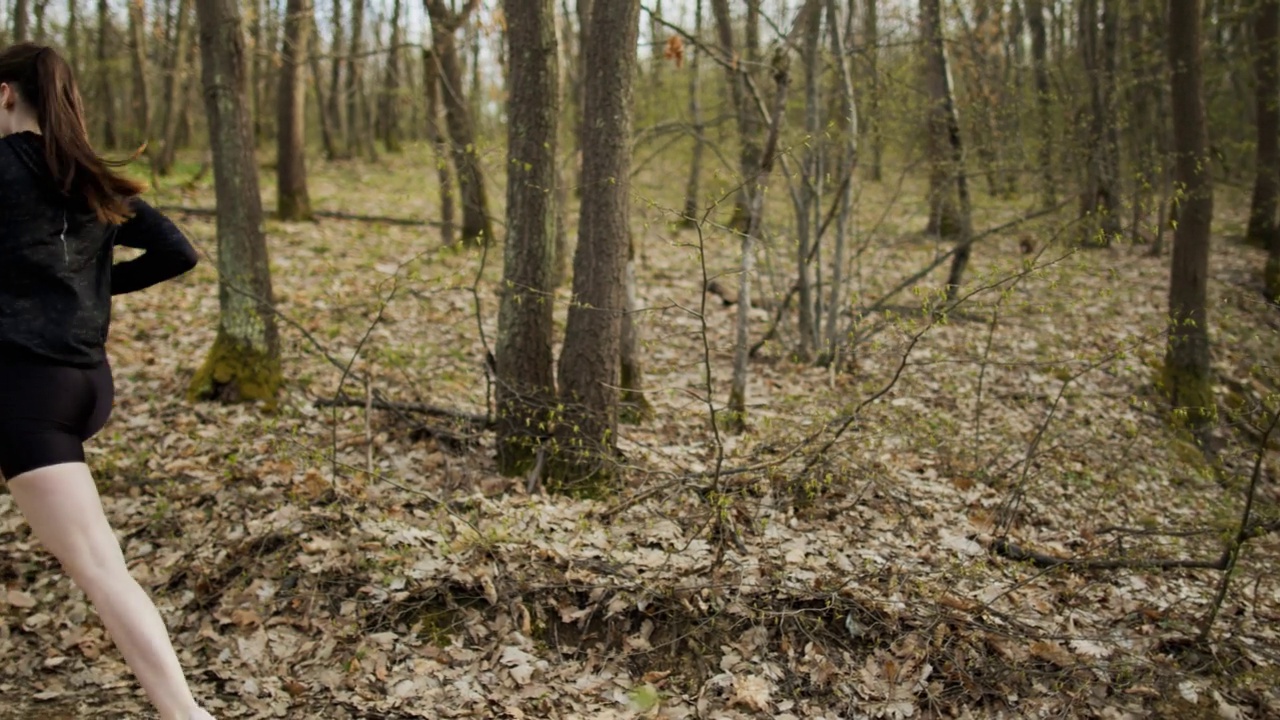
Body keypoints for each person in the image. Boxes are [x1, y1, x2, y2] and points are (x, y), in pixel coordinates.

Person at [0, 43, 215, 720]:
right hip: (84, 384)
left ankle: (186, 714)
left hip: (26, 392)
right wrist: (87, 290)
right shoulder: (83, 174)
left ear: (6, 94)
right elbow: (177, 250)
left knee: (99, 569)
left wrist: (71, 289)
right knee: (102, 566)